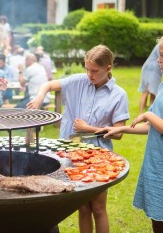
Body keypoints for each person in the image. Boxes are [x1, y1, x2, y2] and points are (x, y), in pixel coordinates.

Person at [28, 44, 130, 233]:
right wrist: (40, 96)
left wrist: (89, 129)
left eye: (94, 71)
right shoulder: (78, 81)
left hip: (99, 156)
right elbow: (49, 85)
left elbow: (119, 133)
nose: (89, 75)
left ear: (108, 68)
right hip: (71, 153)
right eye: (87, 69)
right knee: (82, 207)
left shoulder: (119, 95)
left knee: (98, 208)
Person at [99, 36, 163, 233]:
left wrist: (147, 114)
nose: (158, 61)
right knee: (157, 219)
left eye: (162, 56)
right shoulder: (162, 85)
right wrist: (121, 129)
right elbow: (154, 127)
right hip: (156, 161)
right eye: (159, 56)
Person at [138, 44, 162, 114]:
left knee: (152, 92)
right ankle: (141, 112)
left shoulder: (159, 45)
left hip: (150, 69)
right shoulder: (161, 45)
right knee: (146, 91)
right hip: (152, 69)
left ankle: (151, 112)